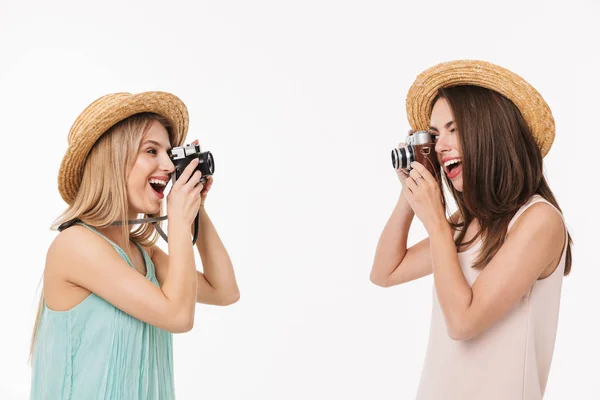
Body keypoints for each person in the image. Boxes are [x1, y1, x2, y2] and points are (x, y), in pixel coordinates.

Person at [370, 60, 572, 400]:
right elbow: (385, 272)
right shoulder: (467, 225)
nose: (439, 146)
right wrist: (413, 188)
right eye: (434, 136)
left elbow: (463, 323)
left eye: (454, 129)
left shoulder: (538, 220)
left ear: (491, 133)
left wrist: (435, 220)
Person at [29, 91, 240, 400]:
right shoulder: (75, 245)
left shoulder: (145, 257)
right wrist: (179, 221)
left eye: (169, 154)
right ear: (113, 160)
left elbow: (224, 291)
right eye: (151, 151)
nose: (168, 166)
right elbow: (178, 317)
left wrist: (197, 210)